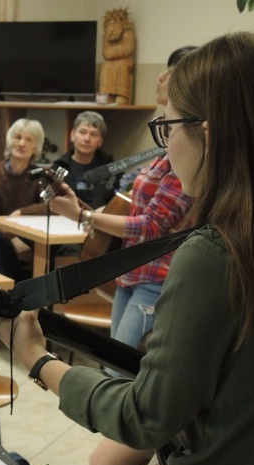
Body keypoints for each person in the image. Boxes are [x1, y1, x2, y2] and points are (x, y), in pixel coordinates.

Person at [0, 32, 254, 465]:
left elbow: (144, 416)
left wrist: (35, 357)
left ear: (207, 134)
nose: (167, 145)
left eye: (167, 129)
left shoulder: (216, 255)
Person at [53, 48, 195, 355]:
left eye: (169, 72)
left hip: (157, 278)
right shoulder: (166, 149)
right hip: (132, 271)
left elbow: (151, 226)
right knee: (113, 364)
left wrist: (83, 217)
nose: (159, 77)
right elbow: (134, 202)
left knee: (121, 372)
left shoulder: (190, 152)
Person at [0, 118, 49, 354]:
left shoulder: (42, 175)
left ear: (36, 147)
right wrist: (12, 237)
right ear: (9, 141)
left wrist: (23, 212)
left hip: (31, 245)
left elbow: (54, 205)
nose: (22, 143)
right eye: (17, 137)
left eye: (28, 139)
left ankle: (34, 327)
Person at [52, 111, 117, 209]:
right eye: (82, 132)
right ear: (72, 135)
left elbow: (118, 204)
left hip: (101, 220)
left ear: (100, 141)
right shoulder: (58, 168)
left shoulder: (112, 169)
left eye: (94, 134)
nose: (87, 139)